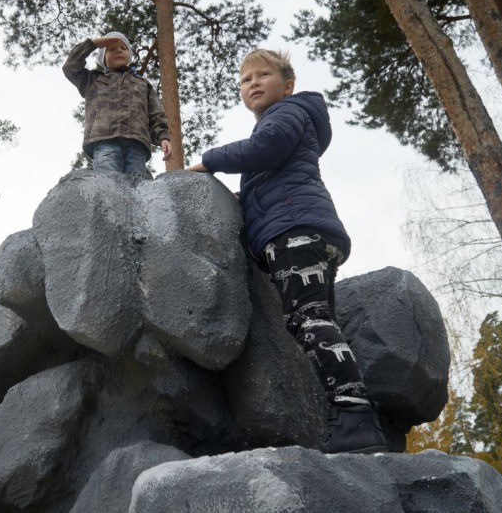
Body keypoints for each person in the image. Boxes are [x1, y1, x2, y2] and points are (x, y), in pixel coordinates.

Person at [187, 49, 387, 454]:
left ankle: (356, 417)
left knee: (309, 319)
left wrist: (207, 162)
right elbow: (264, 182)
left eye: (263, 75)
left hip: (296, 232)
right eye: (245, 80)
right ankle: (348, 417)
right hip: (303, 232)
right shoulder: (284, 124)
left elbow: (267, 147)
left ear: (288, 85)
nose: (254, 83)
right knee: (313, 320)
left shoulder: (286, 115)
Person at [63, 31, 172, 174]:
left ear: (129, 55)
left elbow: (156, 114)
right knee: (108, 186)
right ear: (103, 58)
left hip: (137, 145)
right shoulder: (93, 80)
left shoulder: (143, 84)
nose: (118, 50)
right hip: (105, 142)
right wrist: (93, 44)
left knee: (135, 188)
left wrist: (163, 137)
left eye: (123, 48)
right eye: (112, 49)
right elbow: (70, 66)